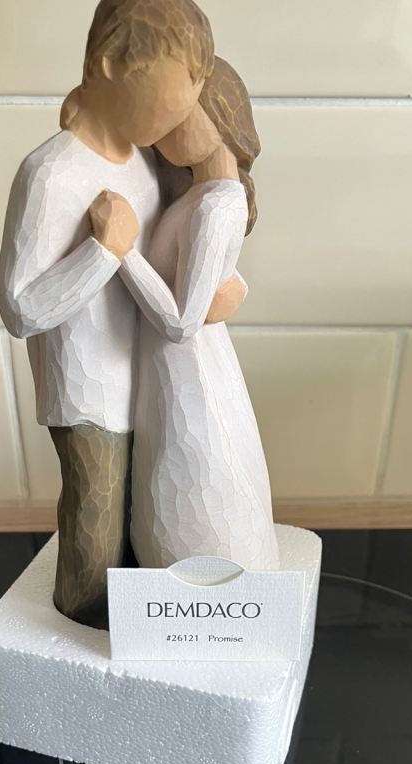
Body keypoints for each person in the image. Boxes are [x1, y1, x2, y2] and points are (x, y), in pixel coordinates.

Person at [0, 0, 243, 627]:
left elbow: (172, 251)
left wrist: (222, 287)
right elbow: (21, 309)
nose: (182, 113)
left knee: (140, 536)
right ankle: (82, 641)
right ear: (110, 64)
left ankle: (136, 637)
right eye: (173, 94)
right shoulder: (51, 174)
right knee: (97, 537)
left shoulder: (144, 163)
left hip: (148, 385)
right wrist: (102, 250)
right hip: (89, 397)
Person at [89, 58, 279, 571]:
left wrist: (121, 250)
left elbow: (180, 323)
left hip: (189, 376)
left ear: (219, 116)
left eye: (179, 115)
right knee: (179, 484)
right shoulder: (202, 197)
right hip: (180, 373)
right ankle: (186, 589)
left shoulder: (216, 206)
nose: (163, 128)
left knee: (195, 484)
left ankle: (205, 588)